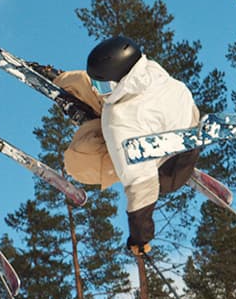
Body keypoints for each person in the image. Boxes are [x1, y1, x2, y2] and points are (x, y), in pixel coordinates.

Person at [39, 37, 202, 252]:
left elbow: (140, 183)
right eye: (99, 83)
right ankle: (58, 79)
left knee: (77, 159)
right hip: (186, 130)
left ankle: (93, 126)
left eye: (104, 85)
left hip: (164, 173)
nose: (99, 89)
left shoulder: (120, 121)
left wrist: (140, 238)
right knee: (83, 82)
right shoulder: (151, 70)